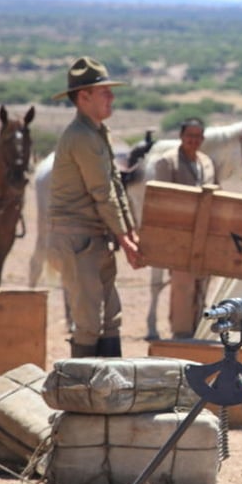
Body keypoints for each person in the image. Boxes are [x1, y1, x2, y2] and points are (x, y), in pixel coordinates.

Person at [48, 56, 143, 358]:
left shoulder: (98, 133)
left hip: (96, 236)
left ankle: (109, 392)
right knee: (88, 322)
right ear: (83, 96)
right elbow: (102, 192)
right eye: (104, 92)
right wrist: (126, 237)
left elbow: (115, 184)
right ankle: (82, 398)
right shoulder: (81, 137)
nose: (111, 97)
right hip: (78, 239)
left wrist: (128, 231)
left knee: (110, 318)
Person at [154, 117, 216, 338]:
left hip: (204, 237)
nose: (193, 141)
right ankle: (180, 337)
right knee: (182, 288)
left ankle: (197, 335)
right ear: (181, 136)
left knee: (202, 288)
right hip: (178, 239)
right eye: (190, 136)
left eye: (198, 137)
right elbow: (159, 201)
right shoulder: (168, 162)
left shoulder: (207, 162)